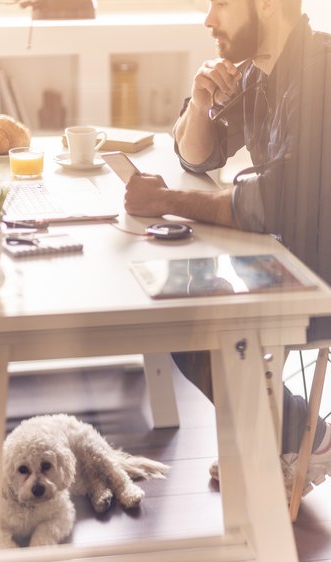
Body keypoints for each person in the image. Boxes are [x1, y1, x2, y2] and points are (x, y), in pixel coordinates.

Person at [124, 0, 331, 498]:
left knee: (185, 314)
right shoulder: (262, 74)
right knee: (176, 302)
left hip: (319, 276)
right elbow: (199, 153)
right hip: (291, 255)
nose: (209, 20)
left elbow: (270, 201)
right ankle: (277, 430)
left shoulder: (321, 71)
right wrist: (199, 103)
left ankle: (306, 436)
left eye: (221, 4)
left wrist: (165, 200)